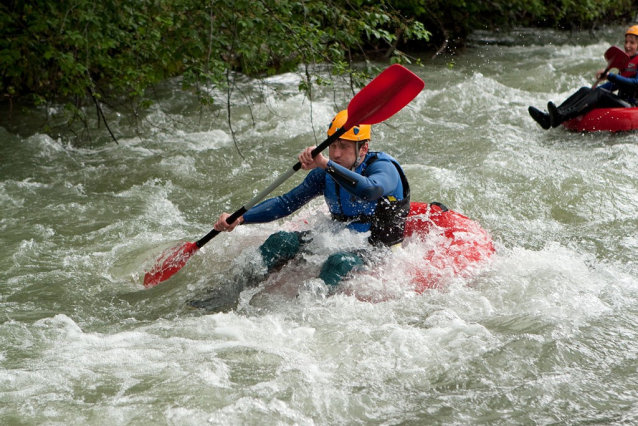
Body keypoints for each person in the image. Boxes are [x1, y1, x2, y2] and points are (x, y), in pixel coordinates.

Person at [213, 110, 410, 287]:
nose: (336, 153)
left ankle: (303, 311)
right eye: (332, 145)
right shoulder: (325, 174)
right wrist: (241, 217)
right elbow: (285, 204)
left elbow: (370, 190)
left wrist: (324, 163)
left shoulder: (383, 167)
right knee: (280, 241)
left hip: (379, 249)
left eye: (343, 146)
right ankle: (233, 289)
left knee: (339, 262)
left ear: (364, 148)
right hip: (341, 239)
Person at [528, 25, 638, 130]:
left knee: (599, 93)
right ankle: (550, 117)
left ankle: (562, 116)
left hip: (632, 106)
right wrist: (592, 92)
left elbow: (635, 84)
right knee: (587, 90)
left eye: (632, 42)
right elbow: (615, 85)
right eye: (626, 42)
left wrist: (610, 76)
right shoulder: (627, 62)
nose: (627, 45)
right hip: (622, 102)